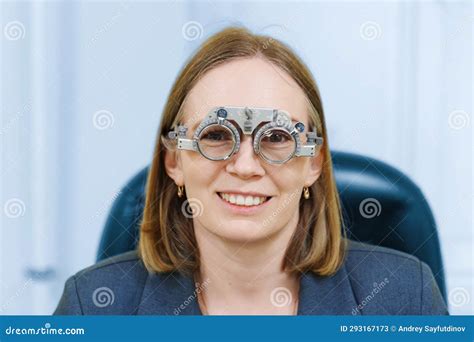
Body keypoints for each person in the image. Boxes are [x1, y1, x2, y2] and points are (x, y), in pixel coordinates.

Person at [54, 26, 448, 315]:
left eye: (276, 137)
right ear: (174, 161)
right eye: (216, 135)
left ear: (313, 162)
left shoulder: (404, 297)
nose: (244, 166)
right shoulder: (93, 304)